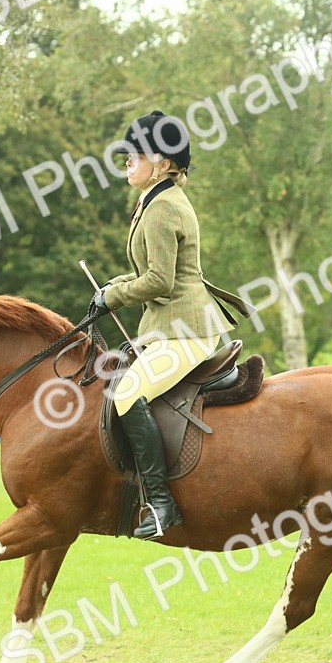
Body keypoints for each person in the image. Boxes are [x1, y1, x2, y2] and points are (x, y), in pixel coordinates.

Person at [91, 110, 250, 540]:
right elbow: (157, 273)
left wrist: (113, 296)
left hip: (186, 329)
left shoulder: (162, 208)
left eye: (134, 154)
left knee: (126, 393)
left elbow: (159, 281)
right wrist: (112, 286)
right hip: (170, 323)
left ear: (161, 163)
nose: (127, 160)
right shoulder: (156, 200)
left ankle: (162, 505)